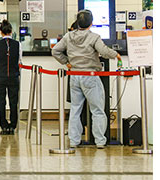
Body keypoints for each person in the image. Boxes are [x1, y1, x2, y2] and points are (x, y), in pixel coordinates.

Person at [51, 9, 122, 149]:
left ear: (77, 22)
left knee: (75, 109)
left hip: (74, 76)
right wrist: (116, 55)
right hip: (90, 76)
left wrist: (66, 62)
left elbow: (55, 51)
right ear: (91, 23)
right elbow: (104, 51)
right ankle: (100, 141)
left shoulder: (68, 36)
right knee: (97, 110)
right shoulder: (94, 37)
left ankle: (74, 141)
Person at [0, 20, 22, 135]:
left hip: (0, 76)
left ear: (1, 32)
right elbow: (19, 60)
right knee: (13, 101)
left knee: (1, 101)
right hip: (14, 76)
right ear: (11, 31)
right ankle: (13, 125)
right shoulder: (18, 44)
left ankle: (3, 125)